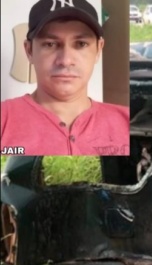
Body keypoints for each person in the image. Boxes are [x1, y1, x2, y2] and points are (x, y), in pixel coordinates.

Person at [0, 0, 129, 156]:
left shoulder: (127, 122)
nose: (66, 60)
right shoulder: (4, 120)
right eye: (50, 44)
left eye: (81, 44)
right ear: (29, 51)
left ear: (98, 49)